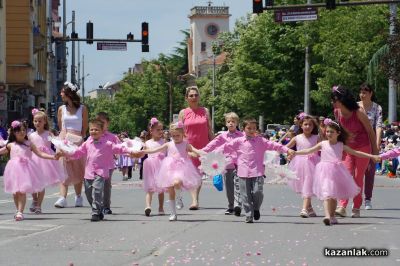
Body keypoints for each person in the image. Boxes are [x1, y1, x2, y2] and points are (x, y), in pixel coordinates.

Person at [293, 119, 374, 226]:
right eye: (327, 131)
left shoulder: (341, 145)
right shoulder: (322, 144)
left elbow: (356, 153)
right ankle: (327, 216)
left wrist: (371, 156)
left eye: (331, 132)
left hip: (337, 172)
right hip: (324, 172)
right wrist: (295, 152)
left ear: (338, 133)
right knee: (327, 194)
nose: (329, 134)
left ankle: (332, 216)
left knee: (333, 195)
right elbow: (309, 150)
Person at [218, 118, 294, 223]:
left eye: (254, 128)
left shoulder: (260, 141)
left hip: (257, 172)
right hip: (243, 172)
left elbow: (275, 145)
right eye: (249, 128)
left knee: (258, 192)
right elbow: (225, 147)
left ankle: (256, 208)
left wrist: (287, 149)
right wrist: (210, 154)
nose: (251, 130)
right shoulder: (238, 141)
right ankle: (249, 215)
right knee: (245, 195)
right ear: (243, 129)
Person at [60, 119, 132, 221]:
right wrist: (66, 153)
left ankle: (96, 213)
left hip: (101, 172)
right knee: (88, 193)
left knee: (97, 191)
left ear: (102, 132)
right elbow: (78, 152)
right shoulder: (87, 143)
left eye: (96, 130)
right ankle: (99, 209)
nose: (93, 131)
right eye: (91, 129)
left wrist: (132, 151)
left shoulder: (107, 144)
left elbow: (120, 149)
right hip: (88, 173)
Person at [135, 121, 203, 221]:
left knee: (177, 182)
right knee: (171, 191)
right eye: (174, 135)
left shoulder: (186, 144)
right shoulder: (168, 144)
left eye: (178, 135)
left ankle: (179, 198)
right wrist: (143, 151)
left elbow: (196, 151)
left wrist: (207, 154)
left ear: (183, 134)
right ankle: (173, 213)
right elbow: (154, 150)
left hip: (182, 169)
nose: (176, 137)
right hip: (169, 169)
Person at [332, 85, 378, 218]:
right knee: (345, 174)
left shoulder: (358, 112)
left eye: (335, 100)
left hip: (363, 147)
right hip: (348, 148)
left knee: (358, 178)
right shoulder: (337, 112)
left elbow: (370, 131)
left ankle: (356, 207)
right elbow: (339, 131)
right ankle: (342, 205)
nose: (333, 103)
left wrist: (374, 154)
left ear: (342, 100)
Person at [2, 120, 59, 221]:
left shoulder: (29, 144)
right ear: (14, 132)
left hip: (26, 171)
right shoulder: (10, 145)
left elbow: (40, 154)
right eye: (19, 130)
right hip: (13, 171)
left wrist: (53, 157)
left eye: (24, 130)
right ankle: (18, 210)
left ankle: (20, 212)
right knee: (15, 193)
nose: (22, 132)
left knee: (22, 191)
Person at [178, 86, 213, 210]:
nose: (194, 97)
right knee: (187, 174)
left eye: (196, 95)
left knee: (198, 174)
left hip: (203, 146)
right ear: (186, 98)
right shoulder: (183, 113)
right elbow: (179, 131)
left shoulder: (205, 111)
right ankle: (180, 196)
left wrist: (213, 145)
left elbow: (209, 128)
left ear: (199, 97)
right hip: (188, 147)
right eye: (191, 95)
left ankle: (195, 200)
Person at [202, 112, 243, 216]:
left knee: (238, 184)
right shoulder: (222, 136)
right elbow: (212, 144)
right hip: (227, 164)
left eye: (233, 121)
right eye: (228, 121)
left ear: (237, 123)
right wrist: (201, 151)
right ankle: (230, 206)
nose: (231, 123)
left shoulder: (242, 136)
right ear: (226, 123)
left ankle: (238, 205)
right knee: (229, 187)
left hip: (239, 164)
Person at [54, 82, 88, 208]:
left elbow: (85, 127)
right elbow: (60, 124)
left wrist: (79, 139)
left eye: (62, 92)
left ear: (69, 94)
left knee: (77, 168)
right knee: (63, 167)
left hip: (77, 139)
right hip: (64, 139)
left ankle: (78, 196)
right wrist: (63, 138)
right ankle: (62, 197)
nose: (61, 94)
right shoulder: (61, 109)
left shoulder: (82, 109)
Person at [29, 109, 66, 214]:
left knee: (41, 184)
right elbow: (27, 147)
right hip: (33, 160)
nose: (37, 123)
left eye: (40, 121)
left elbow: (57, 143)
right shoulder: (31, 135)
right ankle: (34, 199)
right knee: (32, 183)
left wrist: (63, 149)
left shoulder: (48, 133)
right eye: (35, 121)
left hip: (46, 161)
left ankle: (38, 206)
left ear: (45, 122)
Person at [285, 113, 320, 218]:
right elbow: (286, 148)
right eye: (305, 124)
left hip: (313, 163)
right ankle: (309, 208)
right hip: (300, 164)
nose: (307, 127)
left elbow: (323, 148)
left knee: (308, 184)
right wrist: (288, 154)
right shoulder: (297, 138)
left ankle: (304, 209)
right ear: (301, 125)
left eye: (310, 125)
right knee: (305, 185)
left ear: (313, 127)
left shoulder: (316, 137)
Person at [358, 83, 383, 210]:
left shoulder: (377, 108)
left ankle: (368, 199)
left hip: (370, 141)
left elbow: (378, 126)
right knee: (356, 172)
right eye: (361, 92)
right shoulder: (355, 106)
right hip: (357, 142)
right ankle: (356, 198)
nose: (362, 95)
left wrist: (377, 144)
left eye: (365, 93)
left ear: (371, 94)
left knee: (369, 172)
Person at [93, 112, 119, 215]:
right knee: (96, 186)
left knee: (106, 186)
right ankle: (97, 205)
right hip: (96, 165)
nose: (101, 124)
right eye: (99, 122)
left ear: (108, 123)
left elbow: (119, 147)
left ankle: (106, 206)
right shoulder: (94, 135)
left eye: (103, 122)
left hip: (108, 165)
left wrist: (117, 154)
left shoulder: (112, 137)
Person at [142, 118, 166, 216]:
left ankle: (161, 207)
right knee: (150, 188)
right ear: (151, 131)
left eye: (161, 130)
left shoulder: (164, 141)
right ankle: (148, 206)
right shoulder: (147, 143)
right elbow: (142, 153)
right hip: (150, 167)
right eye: (158, 130)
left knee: (161, 189)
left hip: (161, 166)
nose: (160, 132)